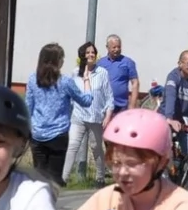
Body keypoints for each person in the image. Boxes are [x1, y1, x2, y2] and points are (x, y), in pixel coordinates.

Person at [26, 43, 93, 186]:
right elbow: (86, 101)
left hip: (37, 132)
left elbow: (28, 106)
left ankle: (38, 205)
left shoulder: (33, 79)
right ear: (57, 61)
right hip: (58, 133)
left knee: (38, 176)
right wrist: (87, 81)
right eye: (62, 58)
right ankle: (51, 204)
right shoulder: (65, 82)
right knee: (55, 177)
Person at [63, 41, 113, 187]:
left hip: (96, 117)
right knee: (72, 146)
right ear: (82, 56)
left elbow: (109, 96)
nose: (91, 55)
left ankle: (100, 178)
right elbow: (71, 95)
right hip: (78, 116)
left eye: (93, 53)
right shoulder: (75, 73)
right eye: (88, 53)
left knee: (96, 148)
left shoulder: (102, 73)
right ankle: (63, 179)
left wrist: (108, 115)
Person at [97, 34, 140, 112]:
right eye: (114, 47)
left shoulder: (128, 62)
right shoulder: (100, 63)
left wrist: (132, 105)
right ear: (107, 47)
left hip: (121, 106)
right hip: (103, 105)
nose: (117, 49)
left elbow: (135, 83)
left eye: (119, 47)